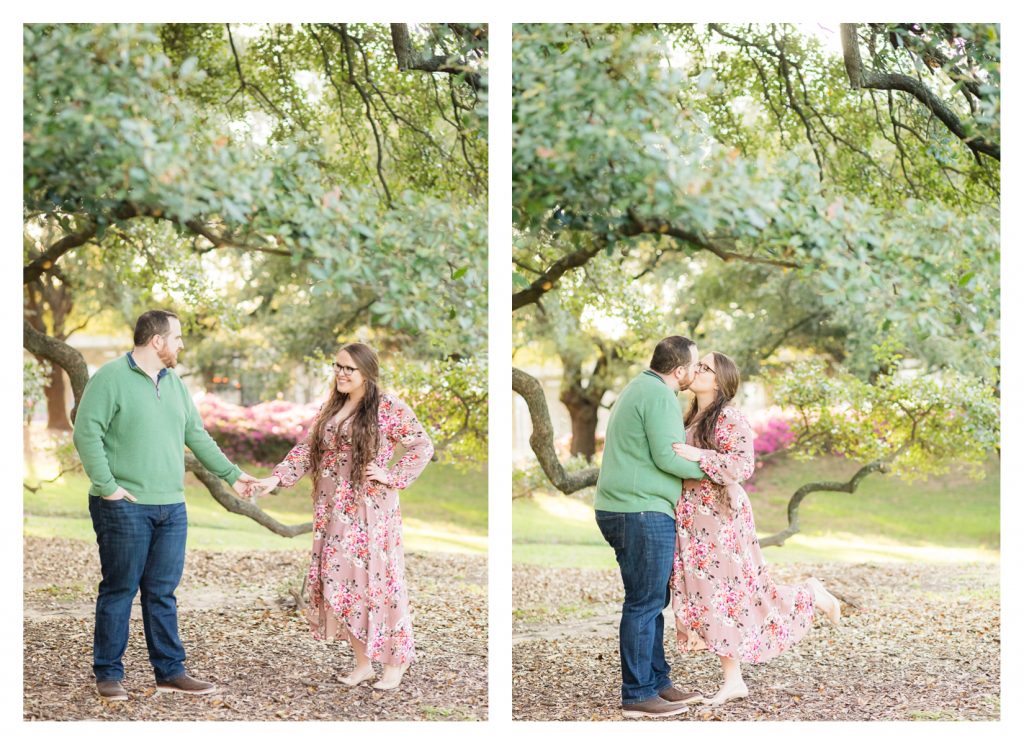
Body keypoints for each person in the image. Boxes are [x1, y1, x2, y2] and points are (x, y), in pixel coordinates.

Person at [72, 310, 262, 701]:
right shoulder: (110, 377)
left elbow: (196, 434)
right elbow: (85, 433)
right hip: (124, 505)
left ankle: (170, 672)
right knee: (120, 589)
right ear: (156, 340)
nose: (180, 345)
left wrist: (232, 474)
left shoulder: (174, 383)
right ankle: (108, 673)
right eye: (176, 338)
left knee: (162, 592)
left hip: (171, 507)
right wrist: (107, 487)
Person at [252, 342, 433, 690]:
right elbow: (307, 449)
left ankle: (395, 663)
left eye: (350, 368)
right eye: (338, 366)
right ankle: (363, 663)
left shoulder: (387, 406)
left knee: (378, 584)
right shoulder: (332, 406)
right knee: (343, 585)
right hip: (333, 511)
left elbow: (422, 445)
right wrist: (274, 479)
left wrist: (390, 475)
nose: (342, 373)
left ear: (367, 372)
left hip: (370, 511)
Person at [670, 352, 842, 706]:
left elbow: (742, 465)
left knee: (735, 596)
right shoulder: (689, 414)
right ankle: (734, 679)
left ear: (719, 380)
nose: (697, 370)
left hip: (721, 518)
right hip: (693, 518)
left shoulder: (729, 416)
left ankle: (810, 595)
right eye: (698, 365)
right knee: (710, 598)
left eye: (705, 367)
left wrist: (696, 455)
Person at [593, 336, 710, 718]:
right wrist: (715, 471)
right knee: (644, 603)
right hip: (639, 511)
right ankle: (638, 694)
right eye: (694, 366)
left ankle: (658, 682)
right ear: (679, 371)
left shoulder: (640, 387)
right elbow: (668, 457)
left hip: (633, 509)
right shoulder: (660, 395)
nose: (695, 373)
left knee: (652, 601)